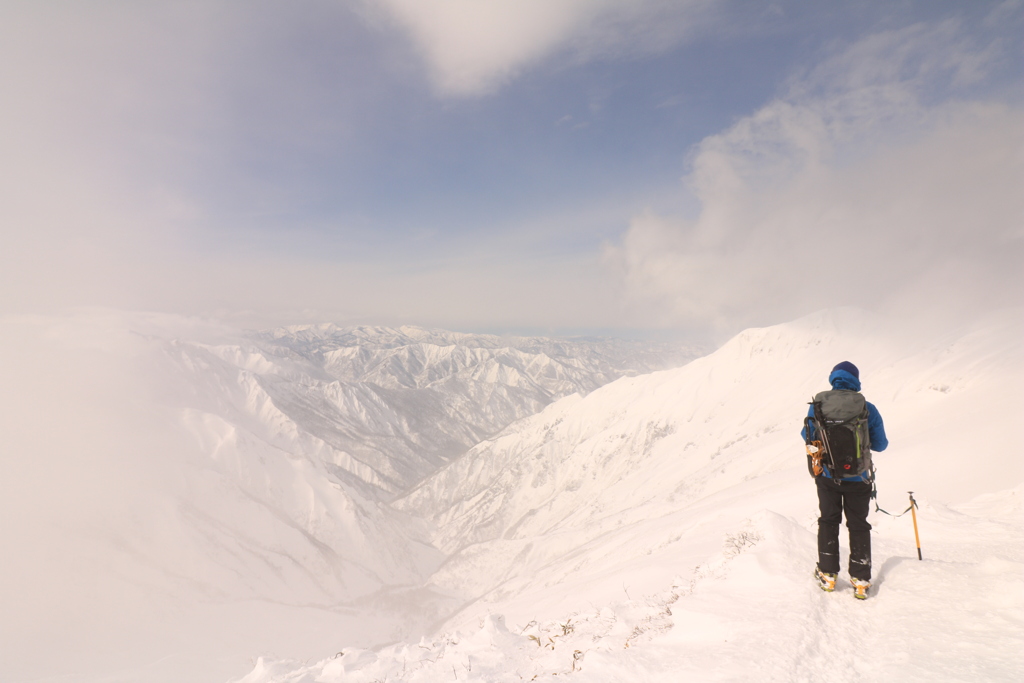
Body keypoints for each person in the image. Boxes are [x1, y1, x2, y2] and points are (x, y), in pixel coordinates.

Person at [801, 361, 888, 599]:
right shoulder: (867, 407)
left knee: (828, 521)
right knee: (858, 525)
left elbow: (805, 435)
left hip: (827, 476)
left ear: (833, 378)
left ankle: (828, 575)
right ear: (855, 380)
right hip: (859, 478)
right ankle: (860, 579)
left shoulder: (818, 405)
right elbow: (881, 444)